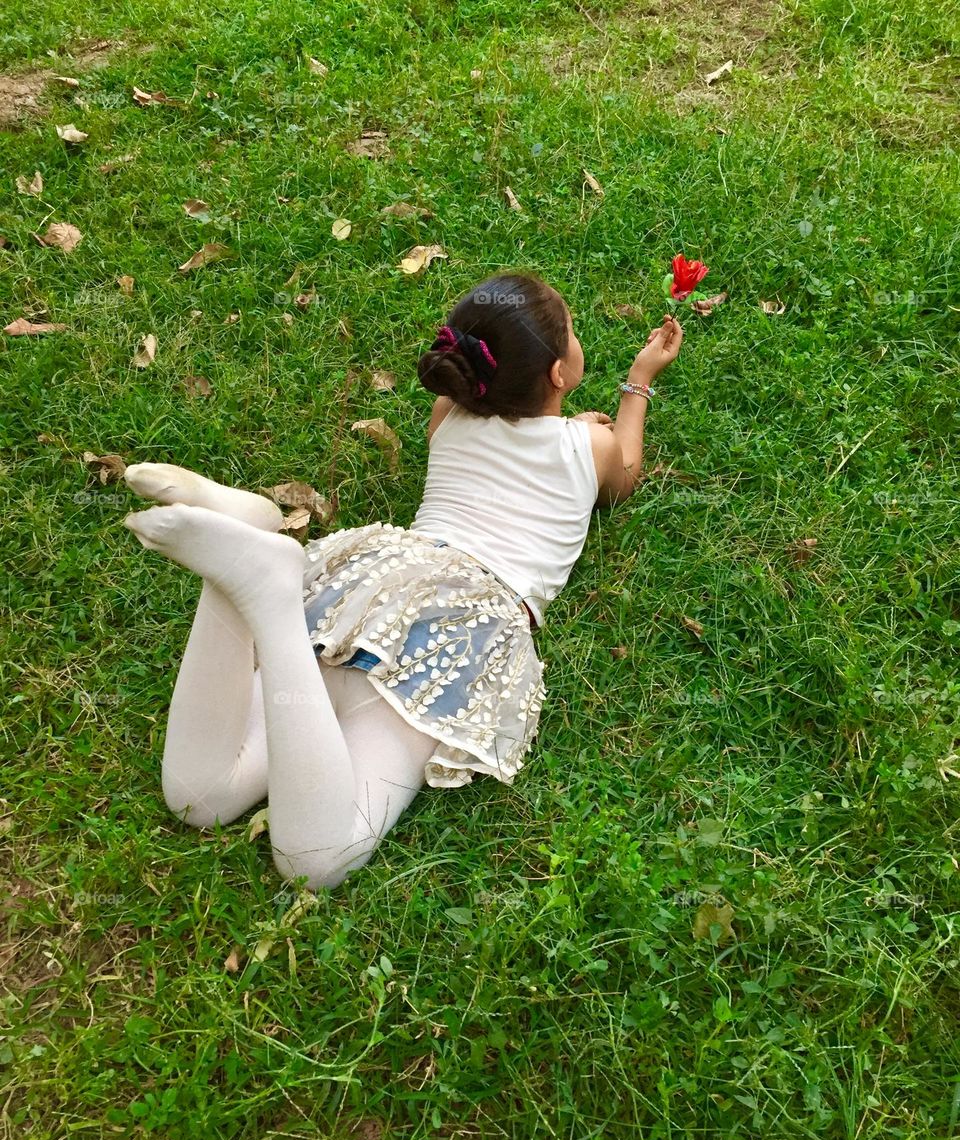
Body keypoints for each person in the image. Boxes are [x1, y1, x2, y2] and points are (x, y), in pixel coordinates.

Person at [122, 272, 683, 889]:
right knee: (316, 861)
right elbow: (623, 476)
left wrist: (571, 422)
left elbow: (515, 432)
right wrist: (639, 384)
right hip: (464, 621)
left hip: (370, 589)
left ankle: (246, 558)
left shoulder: (448, 416)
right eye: (572, 333)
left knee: (199, 799)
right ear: (557, 374)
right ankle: (267, 592)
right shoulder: (592, 446)